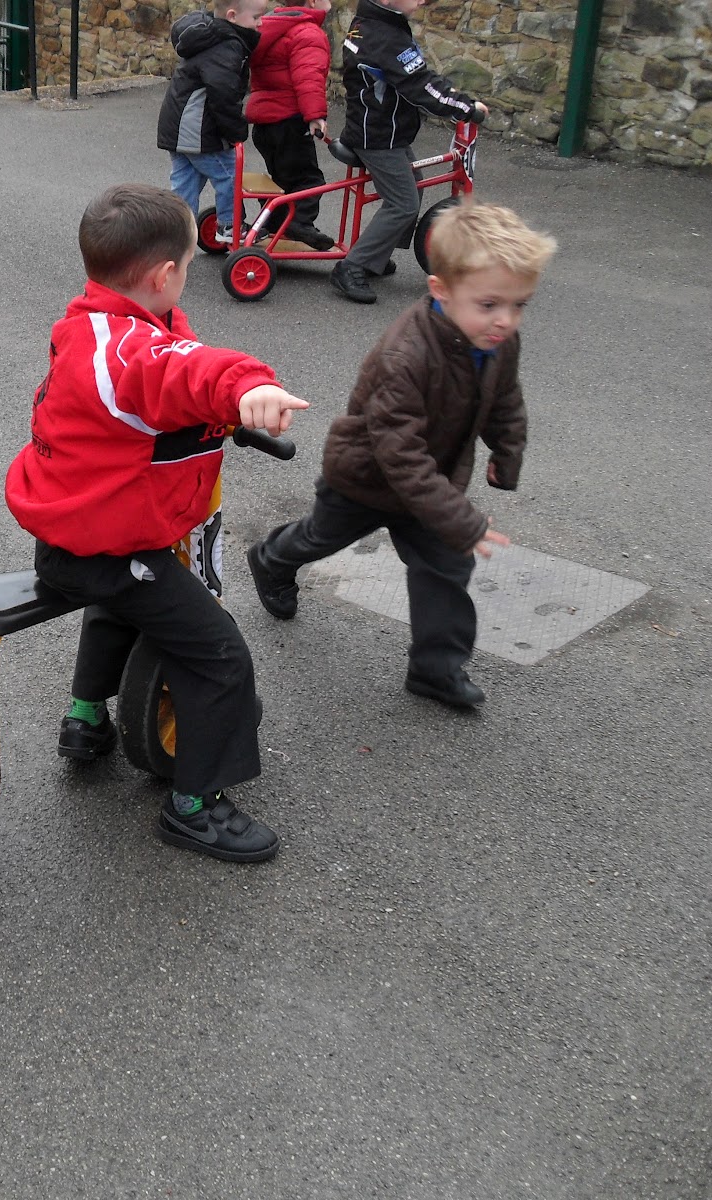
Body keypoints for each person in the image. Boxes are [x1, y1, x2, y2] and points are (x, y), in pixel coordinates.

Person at [5, 183, 308, 864]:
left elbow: (174, 361)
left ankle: (85, 721)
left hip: (86, 535)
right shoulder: (122, 352)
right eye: (191, 266)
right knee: (219, 654)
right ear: (164, 274)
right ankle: (196, 805)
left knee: (125, 605)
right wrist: (248, 386)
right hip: (103, 544)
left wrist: (222, 408)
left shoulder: (93, 323)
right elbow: (180, 371)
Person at [246, 203, 557, 708]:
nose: (505, 320)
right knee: (318, 537)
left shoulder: (498, 340)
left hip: (432, 488)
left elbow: (505, 397)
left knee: (445, 571)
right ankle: (271, 558)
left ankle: (437, 670)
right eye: (490, 304)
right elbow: (401, 455)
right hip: (365, 480)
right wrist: (463, 519)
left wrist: (508, 449)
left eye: (519, 305)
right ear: (441, 290)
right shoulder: (404, 356)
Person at [329, 0, 487, 303]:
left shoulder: (372, 23)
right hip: (376, 136)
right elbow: (420, 85)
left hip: (382, 130)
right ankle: (352, 267)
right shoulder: (385, 37)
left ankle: (374, 253)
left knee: (413, 185)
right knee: (403, 202)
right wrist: (465, 107)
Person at [157, 0, 269, 244]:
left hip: (178, 126)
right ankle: (230, 226)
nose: (260, 23)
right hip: (197, 129)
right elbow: (223, 95)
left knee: (185, 182)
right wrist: (236, 131)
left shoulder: (207, 36)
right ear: (232, 16)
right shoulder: (227, 46)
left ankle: (174, 235)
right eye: (256, 17)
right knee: (229, 174)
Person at [246, 0, 336, 250]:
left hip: (266, 123)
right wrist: (315, 115)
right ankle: (299, 224)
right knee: (308, 179)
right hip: (290, 119)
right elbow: (309, 77)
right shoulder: (307, 32)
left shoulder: (272, 26)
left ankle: (276, 222)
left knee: (283, 178)